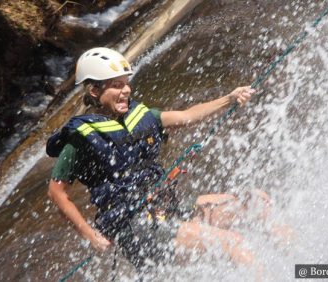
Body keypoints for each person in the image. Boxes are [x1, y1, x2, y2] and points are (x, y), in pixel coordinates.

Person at [46, 47, 260, 273]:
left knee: (256, 204)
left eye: (126, 83)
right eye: (117, 85)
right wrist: (91, 236)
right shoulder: (80, 139)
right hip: (135, 229)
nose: (126, 90)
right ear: (94, 91)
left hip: (163, 209)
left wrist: (229, 98)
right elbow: (56, 193)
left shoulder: (141, 116)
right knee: (233, 243)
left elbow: (187, 116)